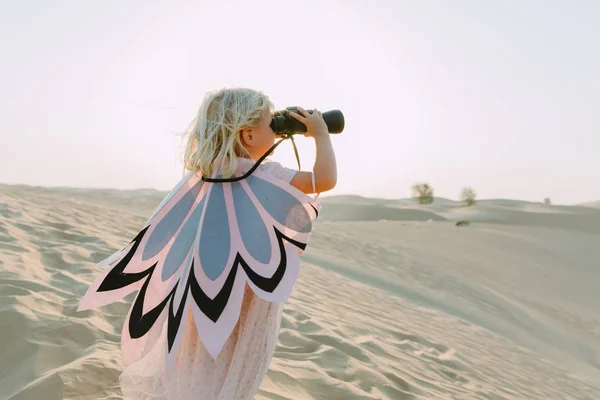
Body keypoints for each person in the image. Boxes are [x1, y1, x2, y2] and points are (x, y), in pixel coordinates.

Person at [116, 87, 337, 399]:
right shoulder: (268, 174)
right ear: (248, 135)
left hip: (205, 288)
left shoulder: (207, 173)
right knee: (235, 361)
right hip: (248, 293)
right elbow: (324, 179)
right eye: (268, 124)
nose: (274, 131)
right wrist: (320, 133)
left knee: (198, 360)